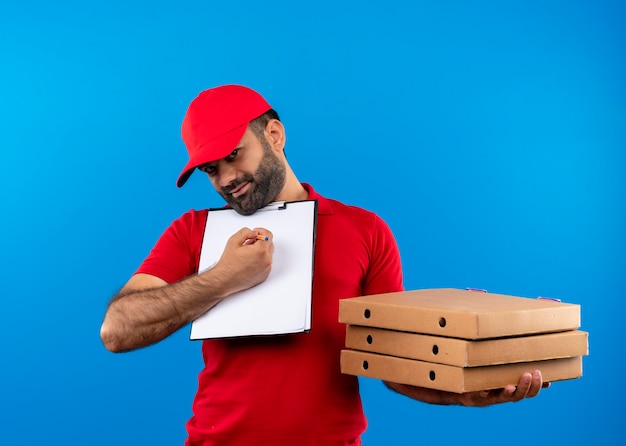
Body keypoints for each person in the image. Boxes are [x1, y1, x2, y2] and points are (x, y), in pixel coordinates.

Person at [100, 84, 548, 445]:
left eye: (234, 155)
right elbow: (118, 329)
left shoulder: (365, 230)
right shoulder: (194, 231)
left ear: (273, 135)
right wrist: (223, 278)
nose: (226, 179)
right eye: (211, 170)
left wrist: (463, 392)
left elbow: (389, 364)